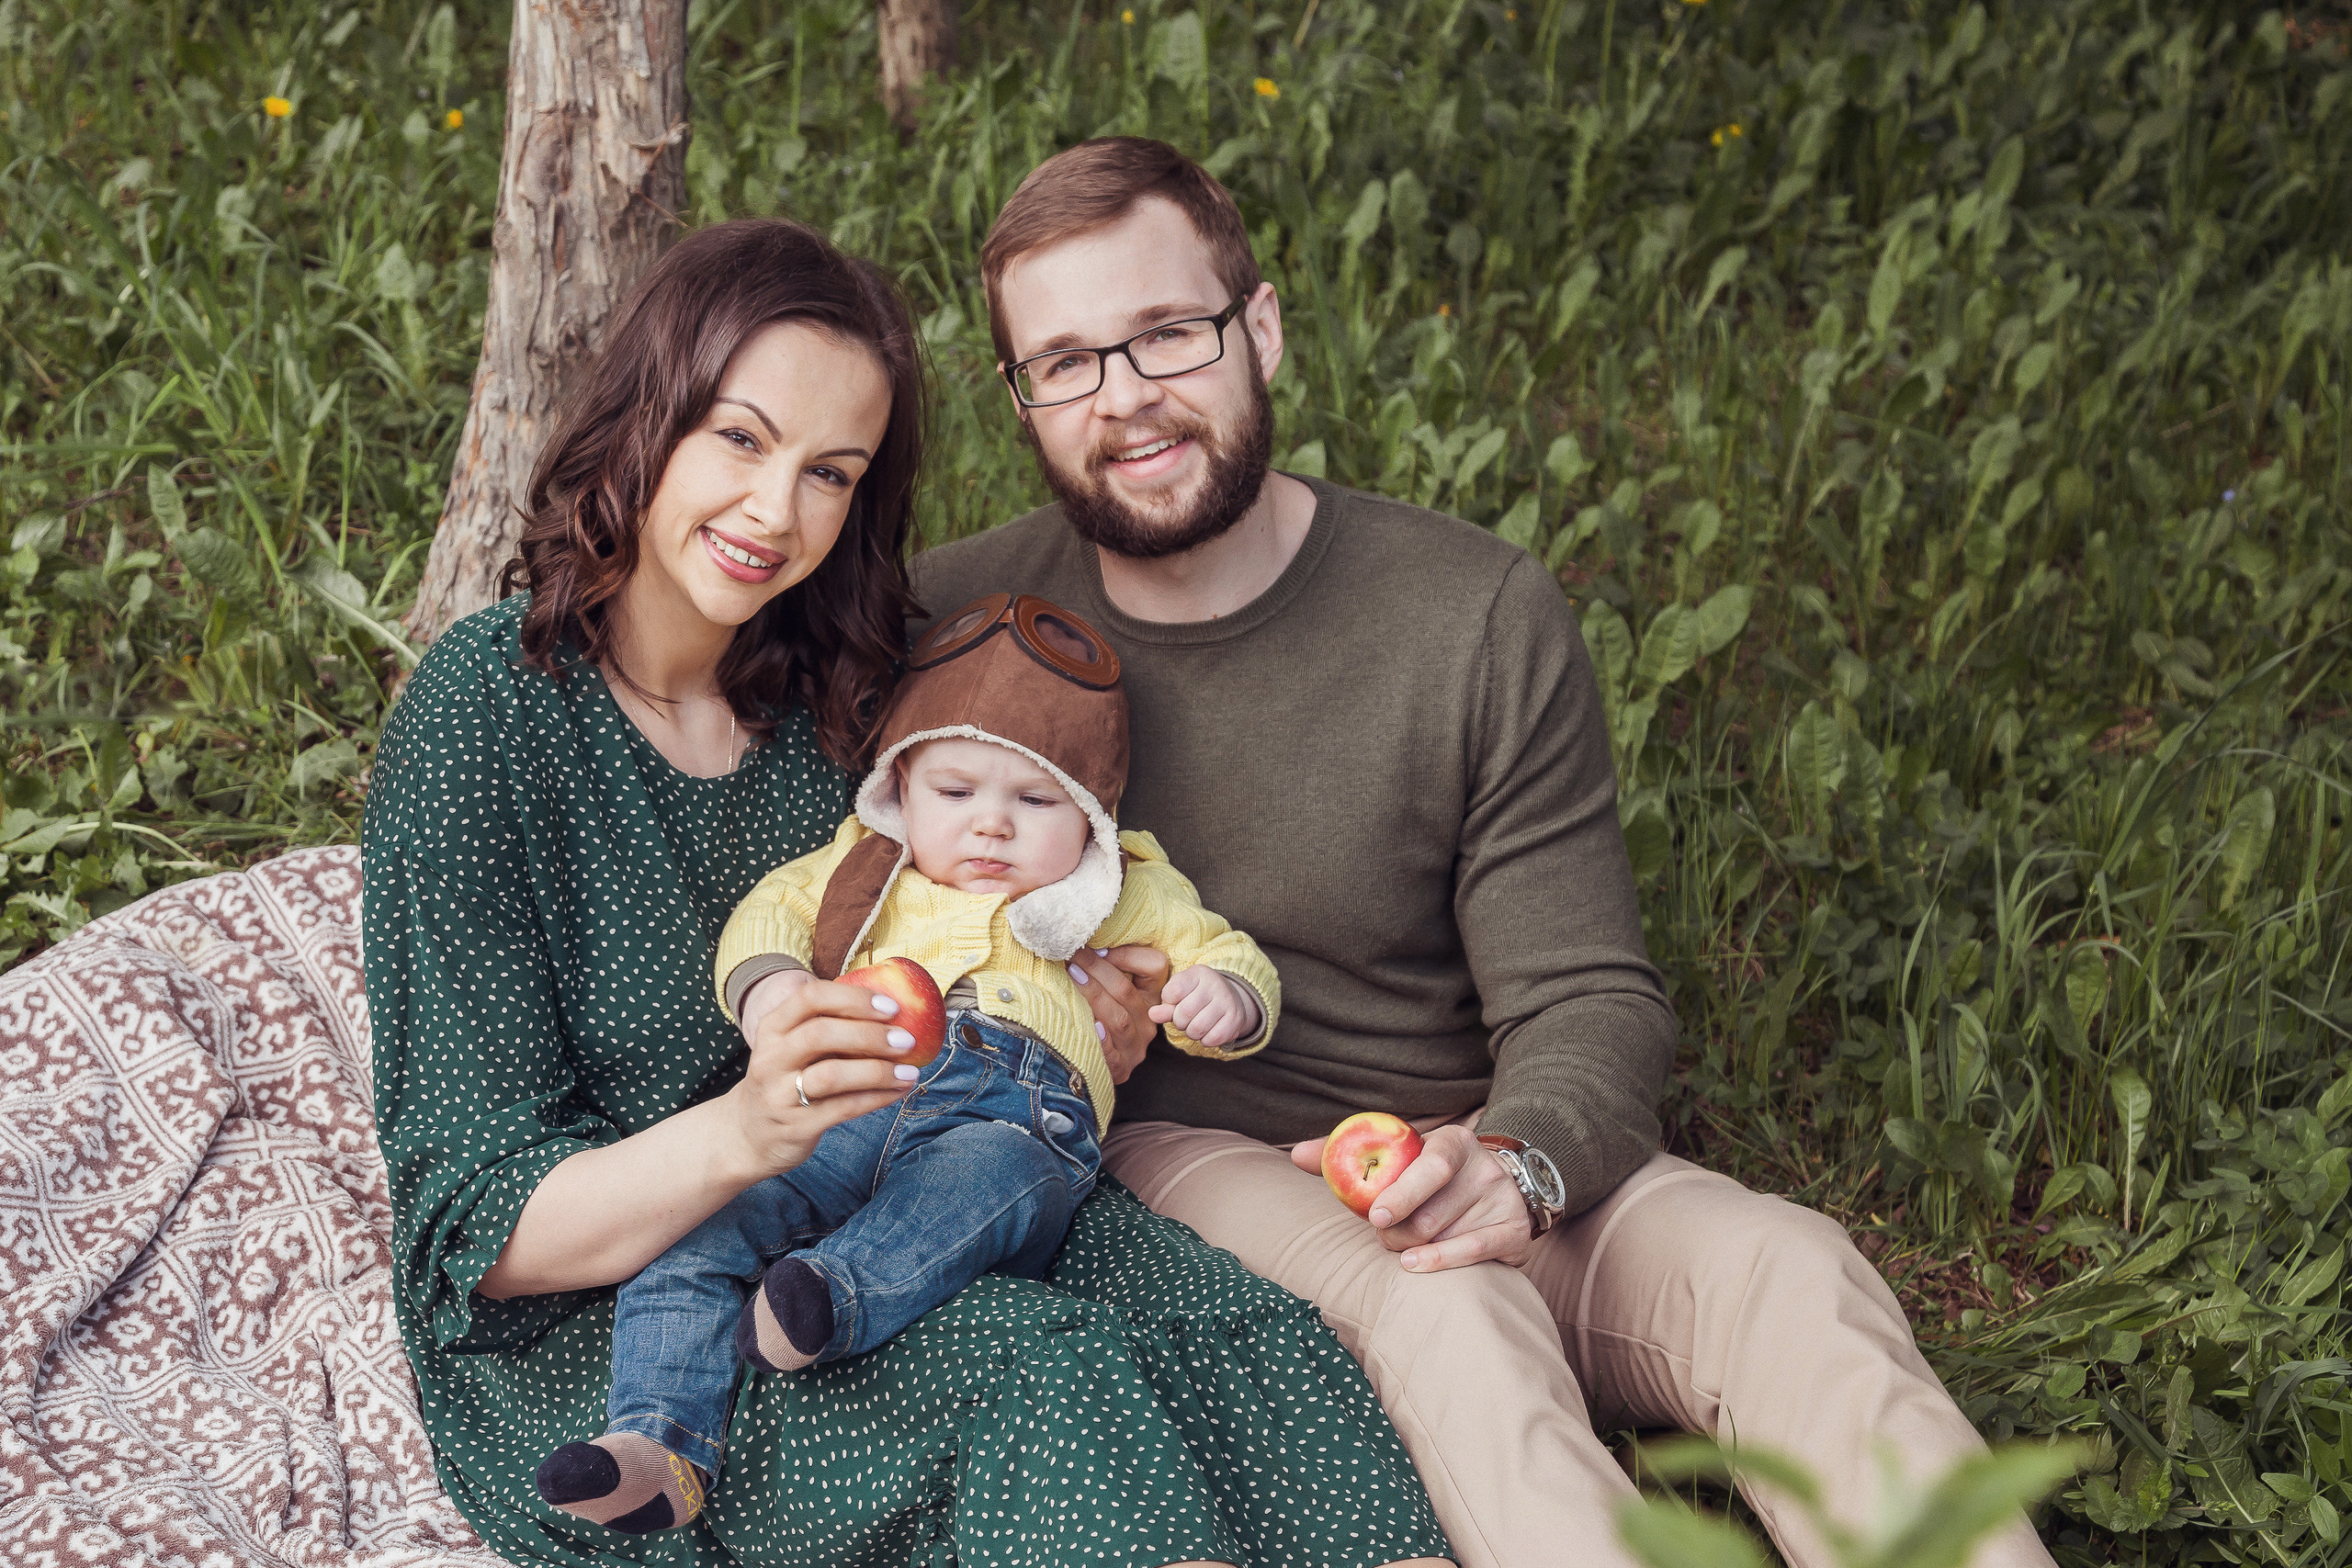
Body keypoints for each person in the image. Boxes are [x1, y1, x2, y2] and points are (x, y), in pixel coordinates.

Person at [910, 137, 2059, 1568]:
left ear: (1259, 327)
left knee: (1791, 1269)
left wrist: (1518, 1160)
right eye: (1065, 362)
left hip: (1473, 1128)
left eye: (1166, 333)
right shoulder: (961, 623)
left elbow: (1586, 991)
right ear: (1020, 398)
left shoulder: (1469, 610)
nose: (1125, 396)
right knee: (1453, 1310)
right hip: (1198, 1153)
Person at [364, 215, 1451, 1568]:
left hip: (924, 1179)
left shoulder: (848, 713)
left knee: (1234, 1334)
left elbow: (1001, 909)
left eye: (832, 472)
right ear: (649, 416)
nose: (777, 512)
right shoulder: (488, 717)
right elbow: (476, 1227)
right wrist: (751, 1129)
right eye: (740, 438)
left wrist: (1097, 1003)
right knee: (1037, 1370)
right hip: (642, 1311)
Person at [533, 591, 1280, 1535]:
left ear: (1091, 814)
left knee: (982, 1187)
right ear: (902, 788)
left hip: (1013, 1114)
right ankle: (654, 1446)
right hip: (853, 1093)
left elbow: (1220, 947)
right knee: (702, 1224)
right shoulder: (867, 866)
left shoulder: (1113, 885)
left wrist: (1226, 994)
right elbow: (771, 913)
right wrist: (772, 994)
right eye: (956, 793)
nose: (992, 828)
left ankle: (827, 1297)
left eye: (1035, 800)